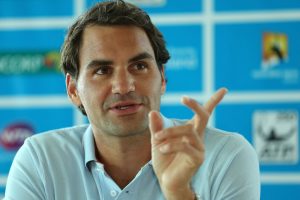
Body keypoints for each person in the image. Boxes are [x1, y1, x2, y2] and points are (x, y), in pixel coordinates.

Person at [4, 0, 260, 199]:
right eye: (102, 70)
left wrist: (180, 195)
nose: (124, 86)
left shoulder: (226, 155)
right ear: (73, 90)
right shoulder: (40, 159)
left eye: (139, 66)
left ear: (162, 78)